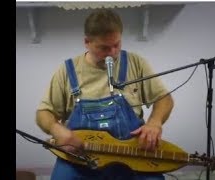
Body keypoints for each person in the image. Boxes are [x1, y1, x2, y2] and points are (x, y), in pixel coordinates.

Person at [36, 9, 174, 180]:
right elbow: (43, 113)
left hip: (131, 154)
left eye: (117, 44)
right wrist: (56, 129)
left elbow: (165, 98)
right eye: (104, 48)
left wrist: (155, 123)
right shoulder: (67, 71)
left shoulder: (135, 63)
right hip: (81, 158)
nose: (113, 53)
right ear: (87, 42)